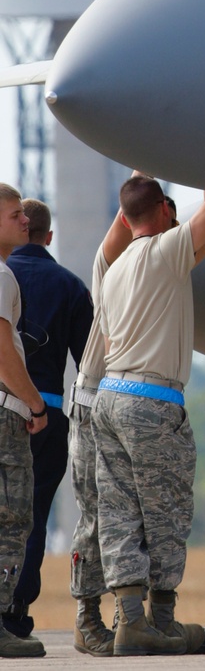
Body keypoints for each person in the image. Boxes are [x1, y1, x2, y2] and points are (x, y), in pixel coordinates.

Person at [92, 177, 205, 656]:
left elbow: (110, 346)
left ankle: (129, 621)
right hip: (152, 402)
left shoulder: (113, 270)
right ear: (165, 211)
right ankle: (163, 623)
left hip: (109, 395)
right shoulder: (167, 251)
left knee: (119, 514)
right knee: (166, 514)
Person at [2, 200, 93, 644]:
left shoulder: (4, 273)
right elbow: (89, 364)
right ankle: (15, 613)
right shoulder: (71, 286)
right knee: (30, 515)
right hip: (46, 415)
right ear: (49, 236)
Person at [66, 181, 146, 656]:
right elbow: (124, 216)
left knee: (133, 516)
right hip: (95, 398)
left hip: (133, 403)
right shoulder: (112, 267)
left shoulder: (165, 273)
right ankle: (87, 617)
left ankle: (129, 618)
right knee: (96, 515)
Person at [0, 185, 49, 659]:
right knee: (12, 517)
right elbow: (1, 351)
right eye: (15, 215)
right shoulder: (1, 275)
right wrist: (35, 404)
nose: (24, 222)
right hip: (4, 412)